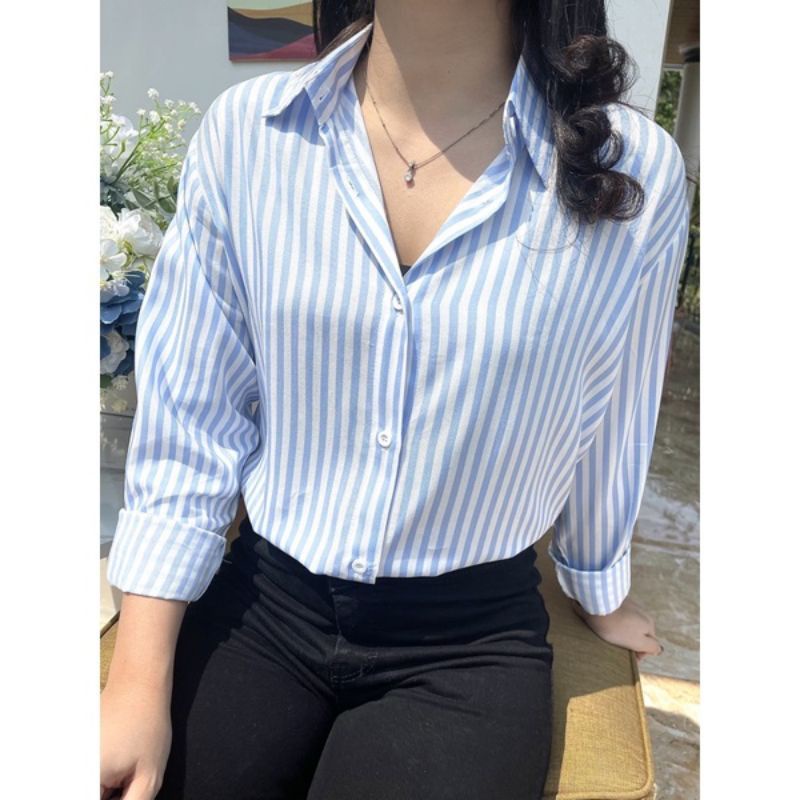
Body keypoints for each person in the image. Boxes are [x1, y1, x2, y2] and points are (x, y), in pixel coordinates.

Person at [101, 1, 687, 798]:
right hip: (263, 603)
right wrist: (135, 686)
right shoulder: (248, 135)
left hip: (469, 643)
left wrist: (597, 582)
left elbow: (615, 408)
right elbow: (191, 418)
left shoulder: (632, 171)